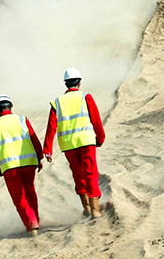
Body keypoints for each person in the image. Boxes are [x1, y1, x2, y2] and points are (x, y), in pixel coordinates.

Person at [43, 67, 106, 218]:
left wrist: (47, 149)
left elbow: (51, 127)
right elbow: (96, 120)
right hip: (86, 142)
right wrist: (100, 138)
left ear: (66, 83)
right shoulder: (86, 97)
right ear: (79, 82)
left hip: (68, 145)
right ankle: (96, 211)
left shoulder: (57, 103)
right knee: (90, 173)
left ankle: (86, 208)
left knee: (78, 174)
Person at [0, 94, 43, 236]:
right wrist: (39, 157)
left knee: (20, 197)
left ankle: (32, 224)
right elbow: (34, 139)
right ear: (11, 107)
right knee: (30, 191)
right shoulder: (22, 120)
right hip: (29, 163)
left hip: (9, 167)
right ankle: (36, 219)